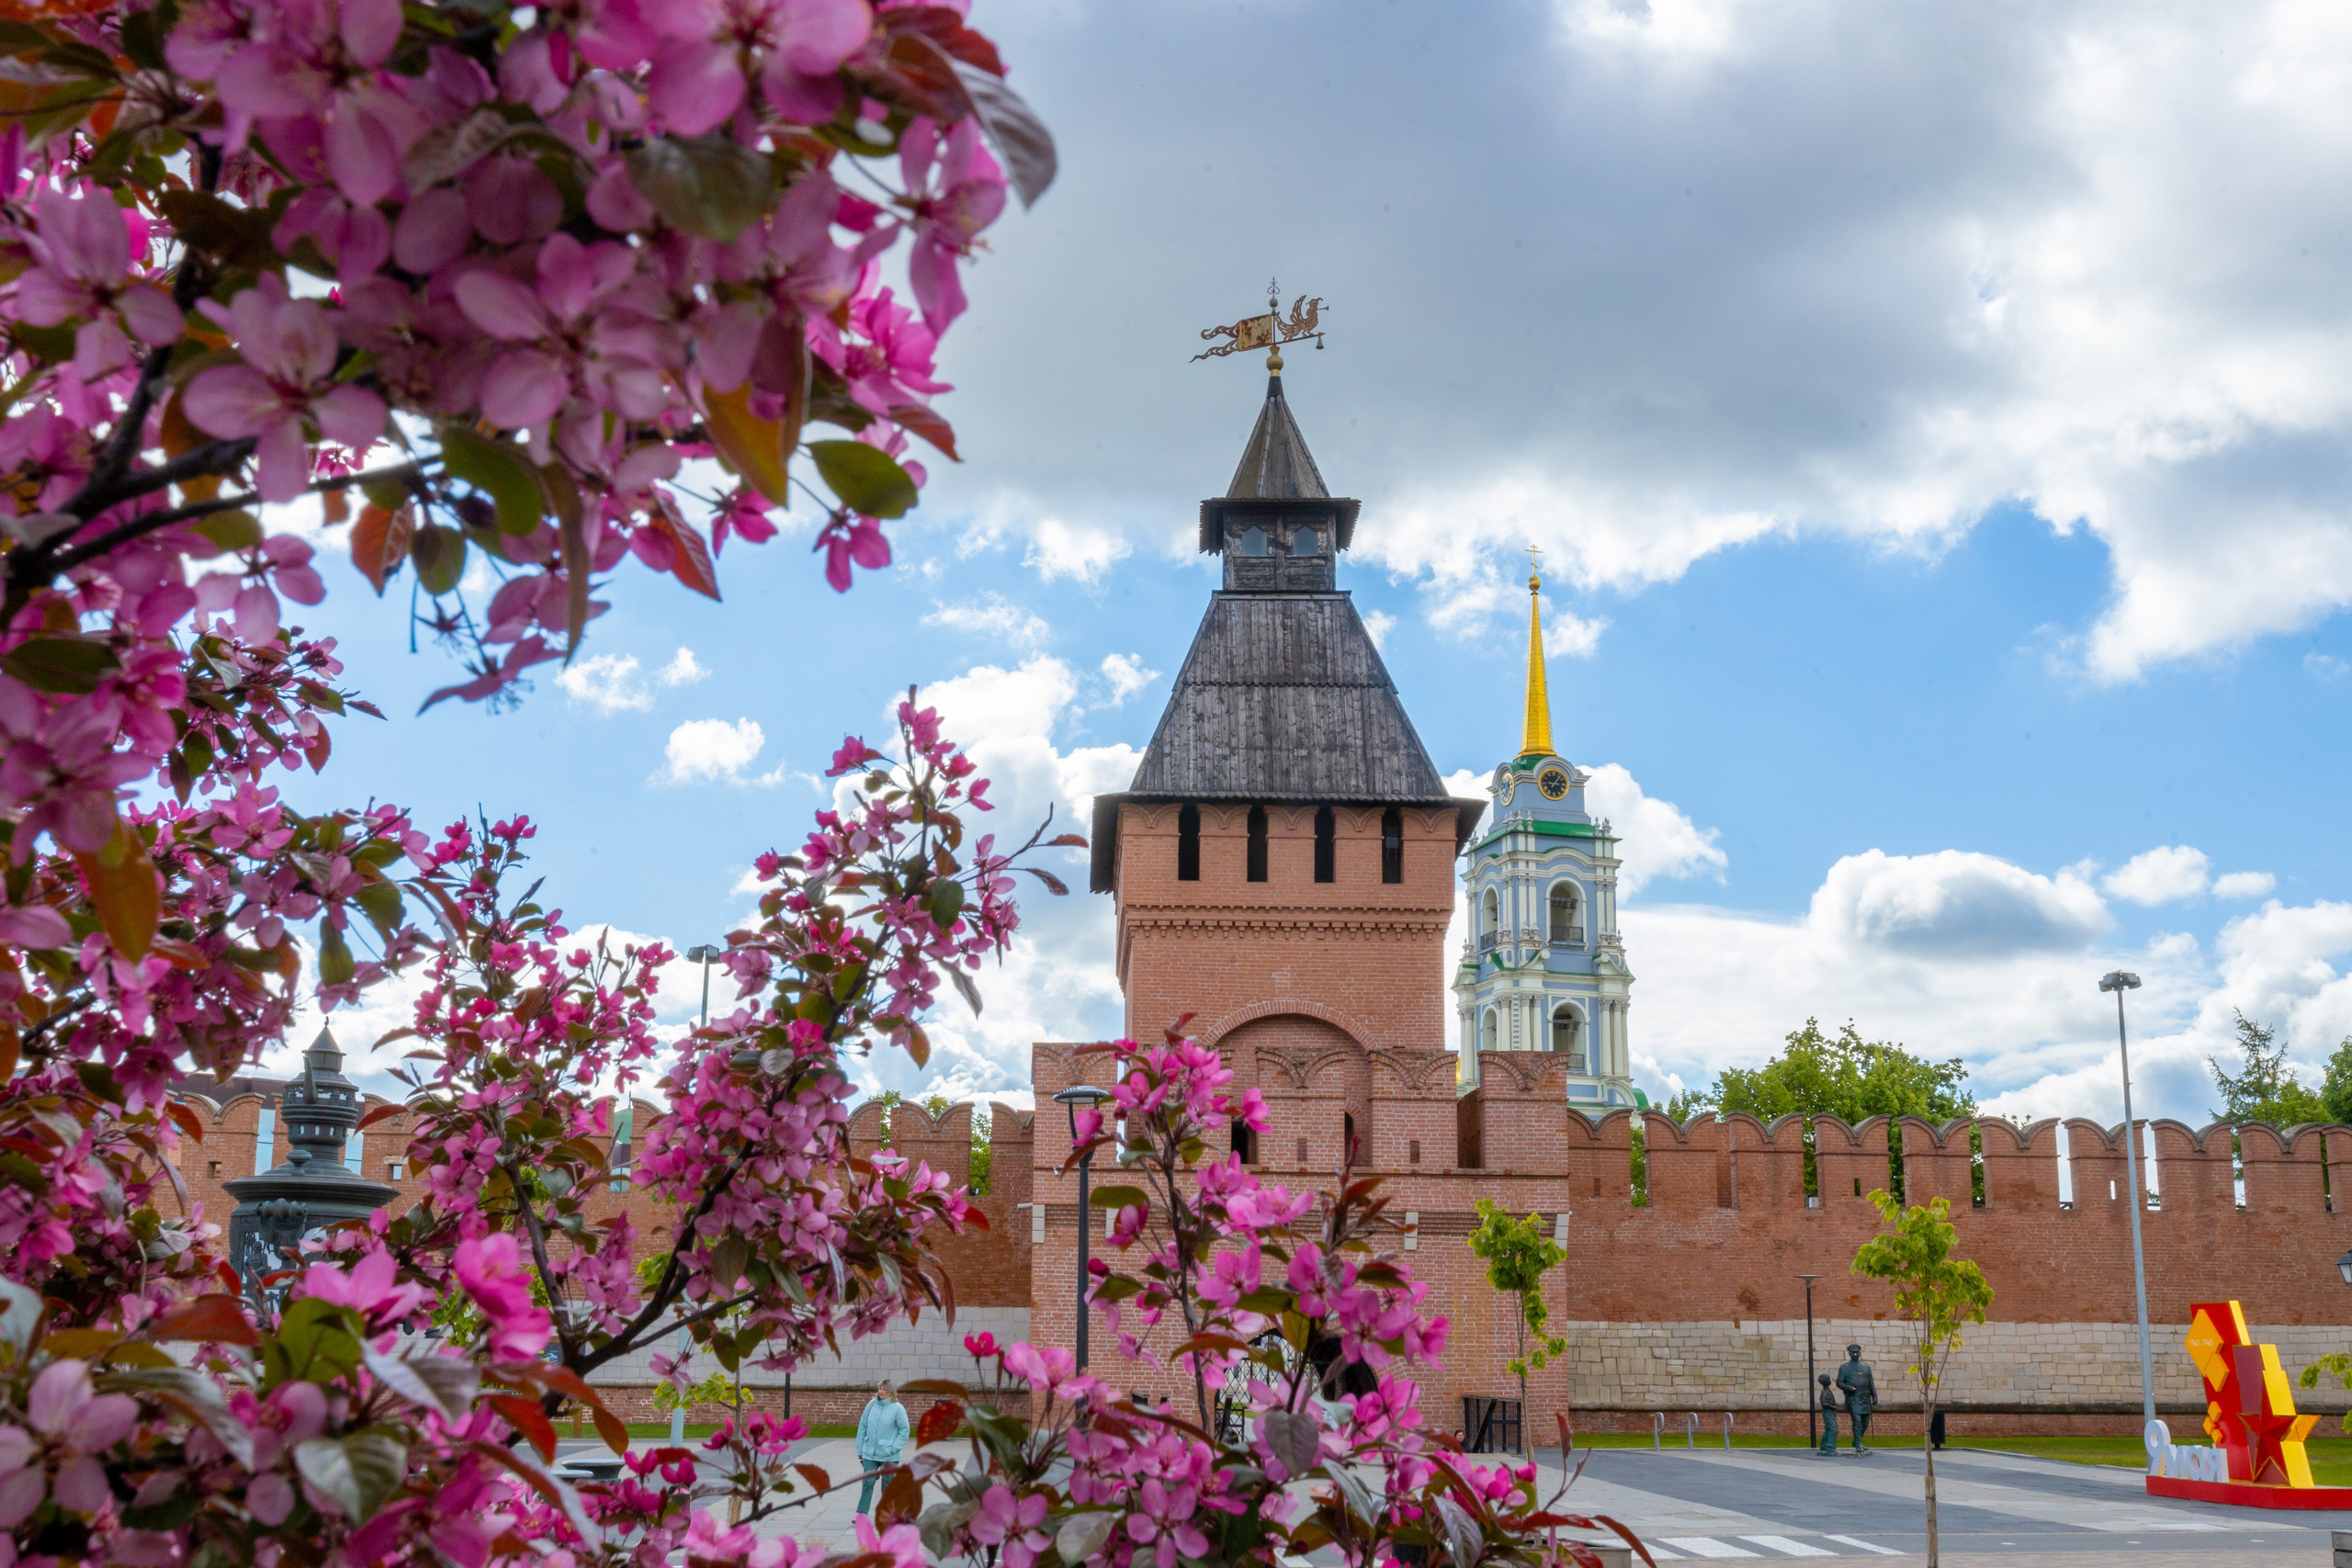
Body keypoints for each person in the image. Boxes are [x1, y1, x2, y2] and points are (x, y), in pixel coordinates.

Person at [854, 1379, 909, 1516]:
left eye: (885, 1389)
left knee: (887, 1484)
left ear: (892, 1391)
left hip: (889, 1454)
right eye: (880, 1388)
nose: (882, 1391)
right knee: (868, 1481)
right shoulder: (871, 1405)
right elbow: (863, 1427)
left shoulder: (898, 1408)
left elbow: (904, 1430)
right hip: (870, 1452)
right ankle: (862, 1514)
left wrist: (893, 1448)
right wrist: (860, 1449)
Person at [1837, 1344, 1876, 1454]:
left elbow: (1871, 1383)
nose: (1855, 1354)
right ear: (1849, 1353)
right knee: (1857, 1422)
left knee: (1865, 1423)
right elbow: (1839, 1382)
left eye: (1857, 1352)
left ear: (1860, 1353)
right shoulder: (1844, 1368)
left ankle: (1857, 1441)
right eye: (1853, 1352)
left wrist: (1875, 1396)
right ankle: (1858, 1443)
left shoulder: (1866, 1367)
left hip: (1865, 1398)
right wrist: (1848, 1388)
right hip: (1853, 1398)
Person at [1816, 1372, 1841, 1457]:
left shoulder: (1827, 1391)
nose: (1830, 1380)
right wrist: (1833, 1407)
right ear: (1826, 1381)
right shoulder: (1825, 1392)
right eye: (1828, 1379)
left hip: (1830, 1413)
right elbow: (1824, 1403)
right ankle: (1830, 1447)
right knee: (1833, 1429)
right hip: (1828, 1413)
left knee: (1828, 1429)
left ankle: (1823, 1446)